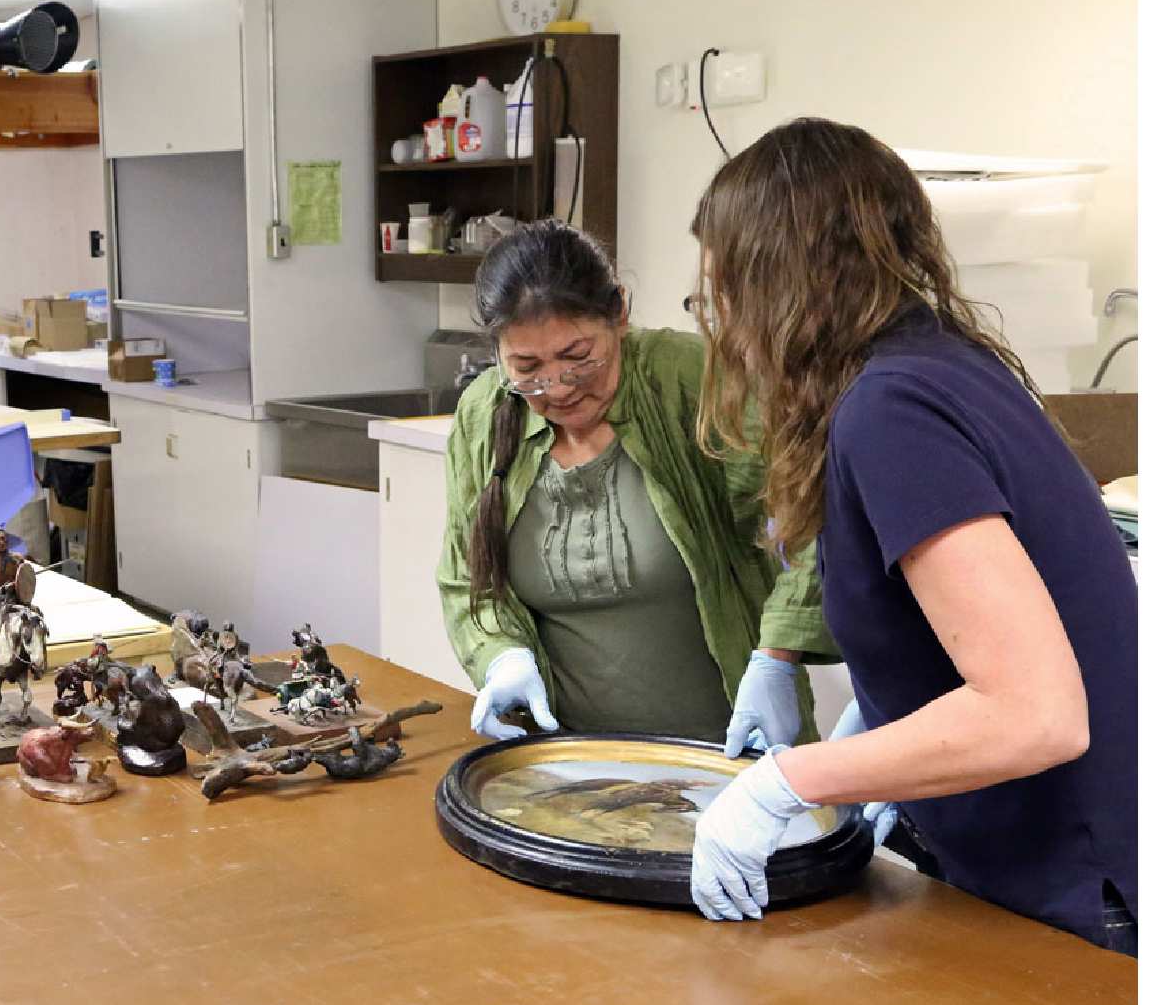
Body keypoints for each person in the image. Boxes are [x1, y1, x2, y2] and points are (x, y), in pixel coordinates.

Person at [681, 118, 1135, 954]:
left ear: (778, 283)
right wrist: (883, 731)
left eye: (724, 293)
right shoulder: (943, 360)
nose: (728, 329)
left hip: (1079, 876)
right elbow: (960, 623)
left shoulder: (891, 410)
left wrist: (789, 782)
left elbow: (1038, 715)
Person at [438, 220, 835, 750]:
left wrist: (776, 658)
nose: (557, 388)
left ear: (619, 313)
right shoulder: (485, 414)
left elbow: (810, 523)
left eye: (579, 358)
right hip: (567, 761)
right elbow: (467, 577)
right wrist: (499, 655)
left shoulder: (693, 380)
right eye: (527, 368)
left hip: (728, 747)